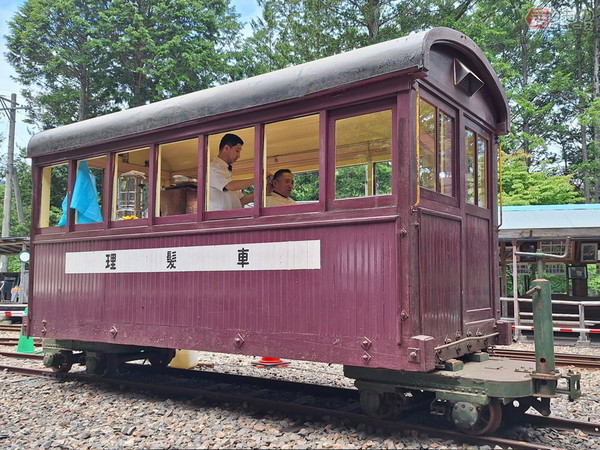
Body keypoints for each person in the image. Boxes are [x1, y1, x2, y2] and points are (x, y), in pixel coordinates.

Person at [209, 133, 255, 211]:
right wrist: (257, 179)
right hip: (220, 220)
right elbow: (232, 186)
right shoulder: (213, 168)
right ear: (226, 148)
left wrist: (262, 194)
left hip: (231, 219)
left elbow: (241, 200)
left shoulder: (226, 171)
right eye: (237, 151)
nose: (239, 156)